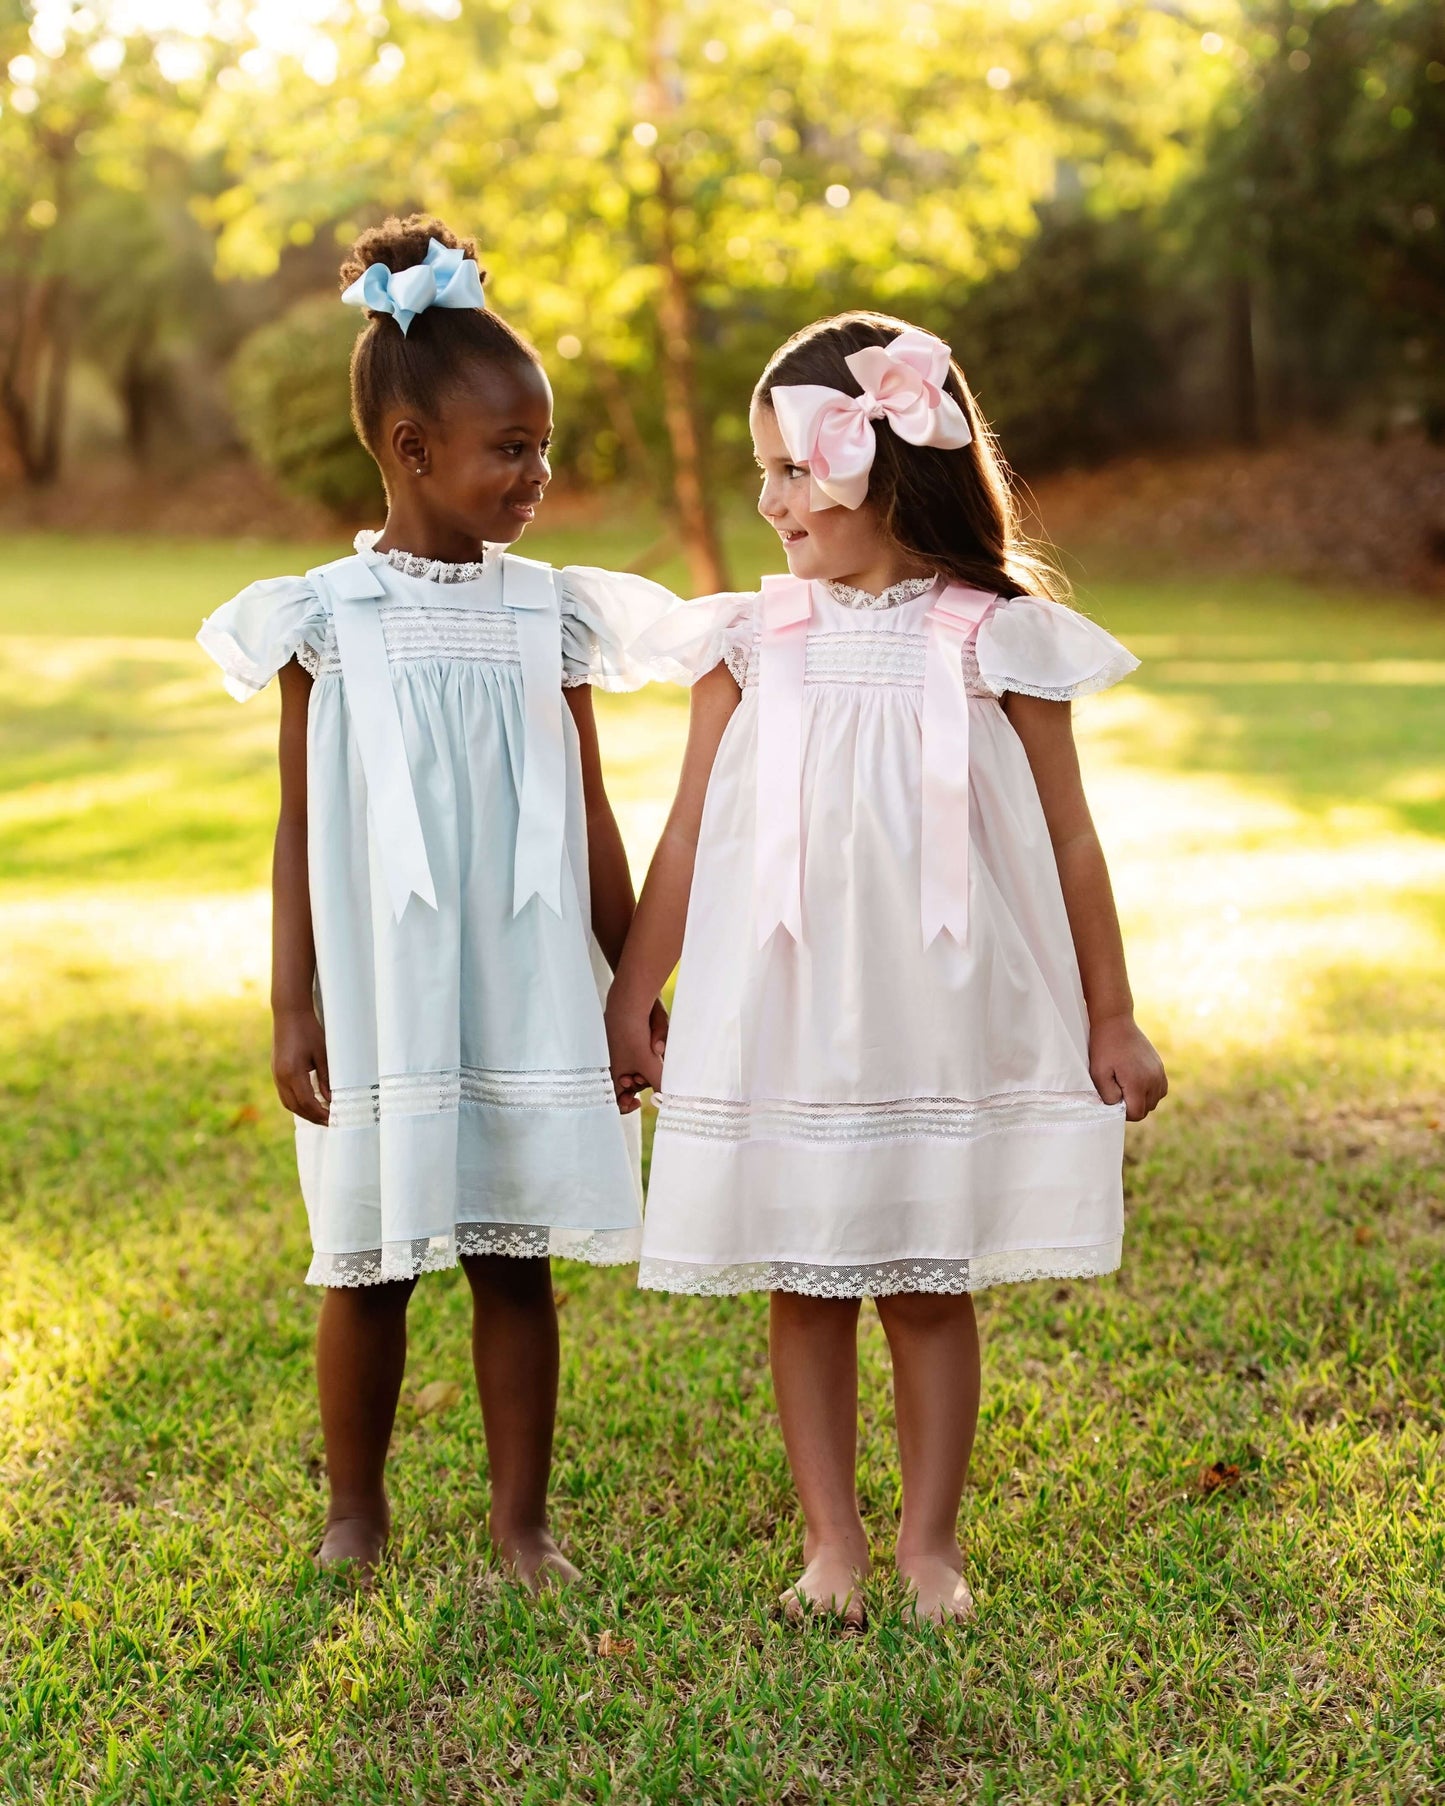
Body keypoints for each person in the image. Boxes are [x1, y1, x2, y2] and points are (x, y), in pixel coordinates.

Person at [605, 313, 1167, 1626]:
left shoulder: (996, 638)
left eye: (793, 469)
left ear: (886, 467)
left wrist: (1112, 1012)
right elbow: (688, 830)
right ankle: (831, 1542)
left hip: (934, 1009)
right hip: (787, 1005)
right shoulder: (747, 641)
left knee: (923, 1274)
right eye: (764, 471)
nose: (769, 498)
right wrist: (637, 982)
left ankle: (927, 1542)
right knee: (803, 1277)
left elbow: (1071, 839)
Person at [197, 215, 670, 1586]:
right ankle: (358, 1508)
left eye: (543, 444)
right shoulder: (324, 619)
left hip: (523, 973)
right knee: (369, 1257)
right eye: (509, 447)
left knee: (513, 1253)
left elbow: (588, 809)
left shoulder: (549, 616)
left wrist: (630, 985)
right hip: (383, 981)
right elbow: (302, 827)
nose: (537, 472)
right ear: (410, 451)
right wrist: (293, 1003)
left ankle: (521, 1522)